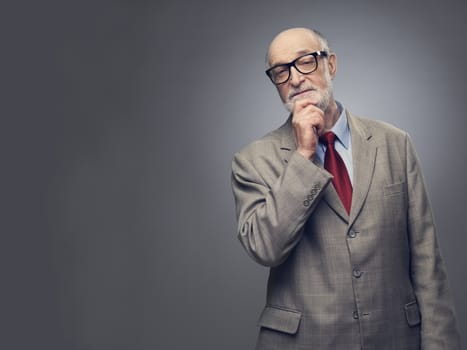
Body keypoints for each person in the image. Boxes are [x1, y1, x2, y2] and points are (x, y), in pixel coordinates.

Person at [231, 27, 461, 350]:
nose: (295, 79)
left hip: (394, 338)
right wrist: (302, 157)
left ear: (331, 65)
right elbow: (266, 247)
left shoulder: (395, 144)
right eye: (281, 72)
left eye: (306, 62)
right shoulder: (252, 160)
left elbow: (428, 265)